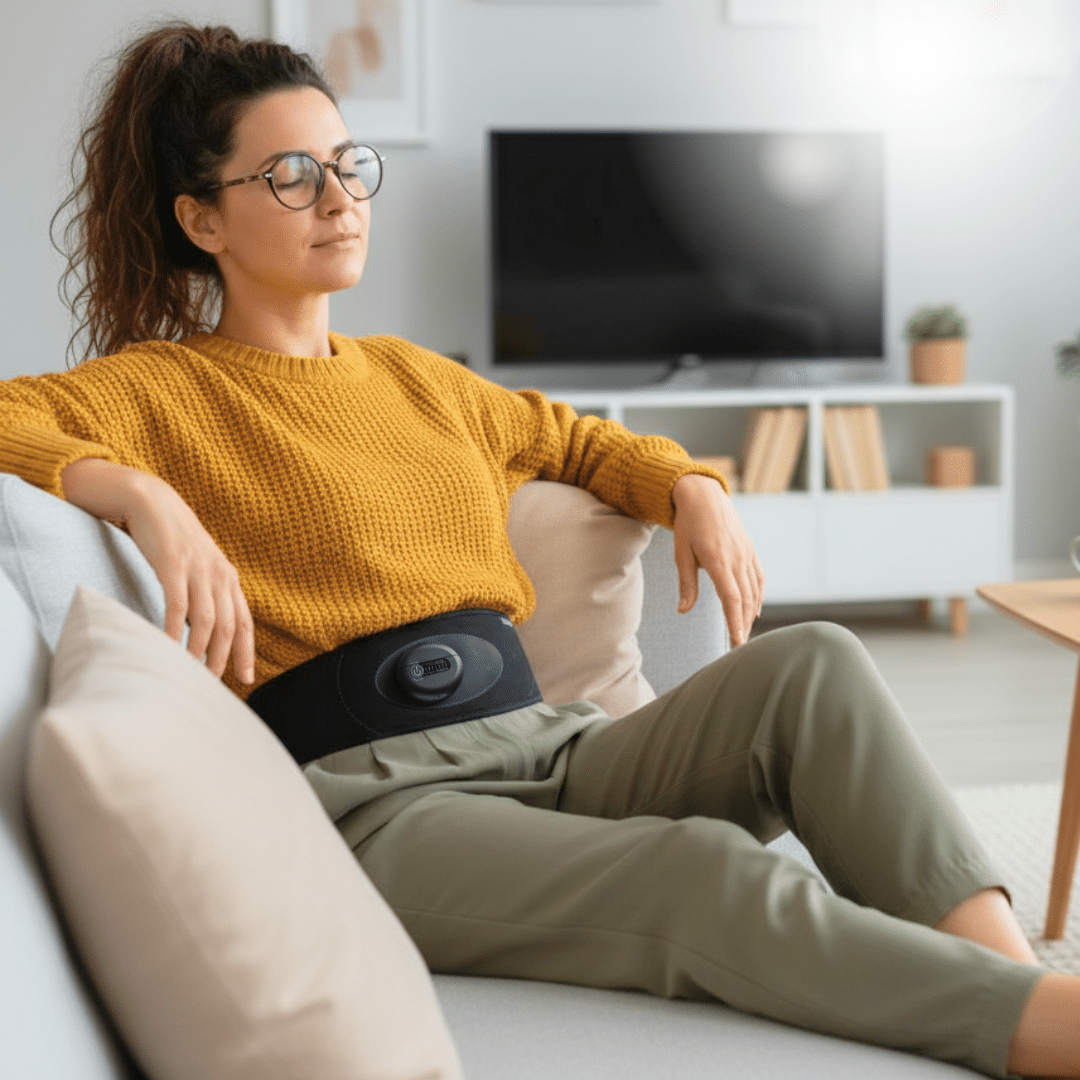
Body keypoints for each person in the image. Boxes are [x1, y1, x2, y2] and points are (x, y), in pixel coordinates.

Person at [4, 20, 1077, 1078]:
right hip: (383, 809)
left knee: (817, 665)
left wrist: (690, 484)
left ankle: (1014, 986)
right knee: (695, 874)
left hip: (553, 747)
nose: (339, 199)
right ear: (203, 220)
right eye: (290, 176)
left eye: (346, 165)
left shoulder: (419, 378)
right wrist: (138, 492)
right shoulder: (156, 391)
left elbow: (584, 440)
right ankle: (1042, 1032)